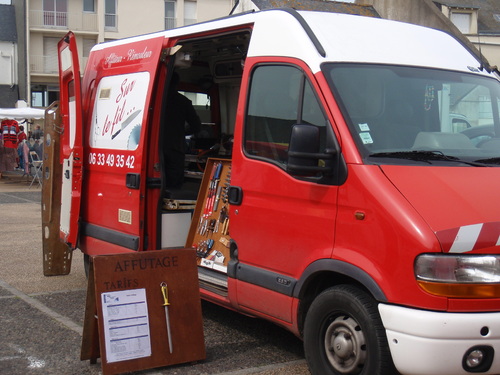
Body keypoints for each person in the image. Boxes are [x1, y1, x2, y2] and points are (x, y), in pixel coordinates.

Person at [164, 71, 202, 188]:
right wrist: (181, 132)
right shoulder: (183, 102)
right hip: (176, 148)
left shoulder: (155, 100)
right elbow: (196, 126)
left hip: (155, 148)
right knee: (174, 184)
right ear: (177, 84)